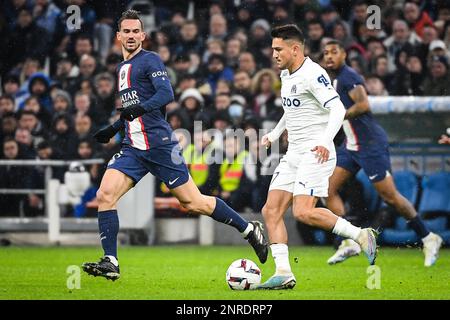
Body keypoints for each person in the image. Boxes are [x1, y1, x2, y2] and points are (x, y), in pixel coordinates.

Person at [82, 10, 268, 281]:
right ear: (118, 36)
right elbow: (131, 111)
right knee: (105, 194)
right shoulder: (121, 69)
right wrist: (113, 129)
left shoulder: (150, 60)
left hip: (159, 145)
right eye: (127, 32)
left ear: (143, 36)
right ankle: (111, 261)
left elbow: (166, 94)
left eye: (136, 32)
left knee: (193, 203)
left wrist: (137, 111)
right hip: (133, 147)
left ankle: (249, 230)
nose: (132, 36)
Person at [257, 25, 378, 290]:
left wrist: (324, 140)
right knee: (271, 210)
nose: (274, 54)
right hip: (294, 153)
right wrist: (275, 134)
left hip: (316, 152)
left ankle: (361, 235)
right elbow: (291, 109)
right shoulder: (287, 75)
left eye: (278, 49)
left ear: (295, 49)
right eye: (273, 48)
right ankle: (284, 272)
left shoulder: (313, 74)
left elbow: (337, 109)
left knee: (303, 212)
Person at [323, 40, 442, 267]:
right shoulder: (333, 80)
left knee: (390, 196)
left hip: (370, 145)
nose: (329, 56)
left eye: (334, 52)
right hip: (351, 145)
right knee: (326, 189)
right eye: (325, 53)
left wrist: (338, 117)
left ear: (344, 54)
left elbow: (364, 105)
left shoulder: (349, 76)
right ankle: (351, 240)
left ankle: (428, 237)